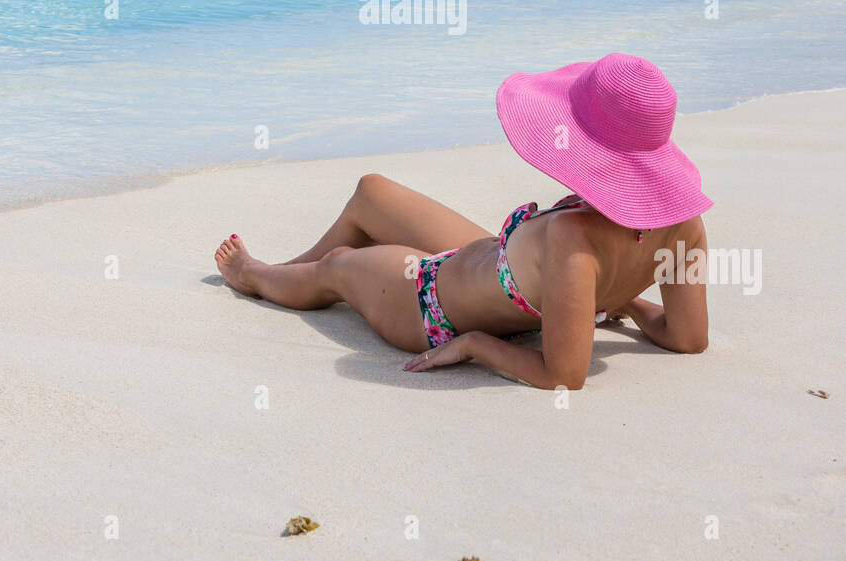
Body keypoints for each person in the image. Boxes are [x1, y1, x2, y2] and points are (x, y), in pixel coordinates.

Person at [214, 53, 712, 390]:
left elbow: (564, 374)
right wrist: (623, 299)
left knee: (340, 266)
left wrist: (474, 345)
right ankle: (290, 273)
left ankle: (257, 277)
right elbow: (688, 337)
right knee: (372, 192)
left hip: (433, 306)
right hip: (497, 268)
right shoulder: (684, 228)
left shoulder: (572, 238)